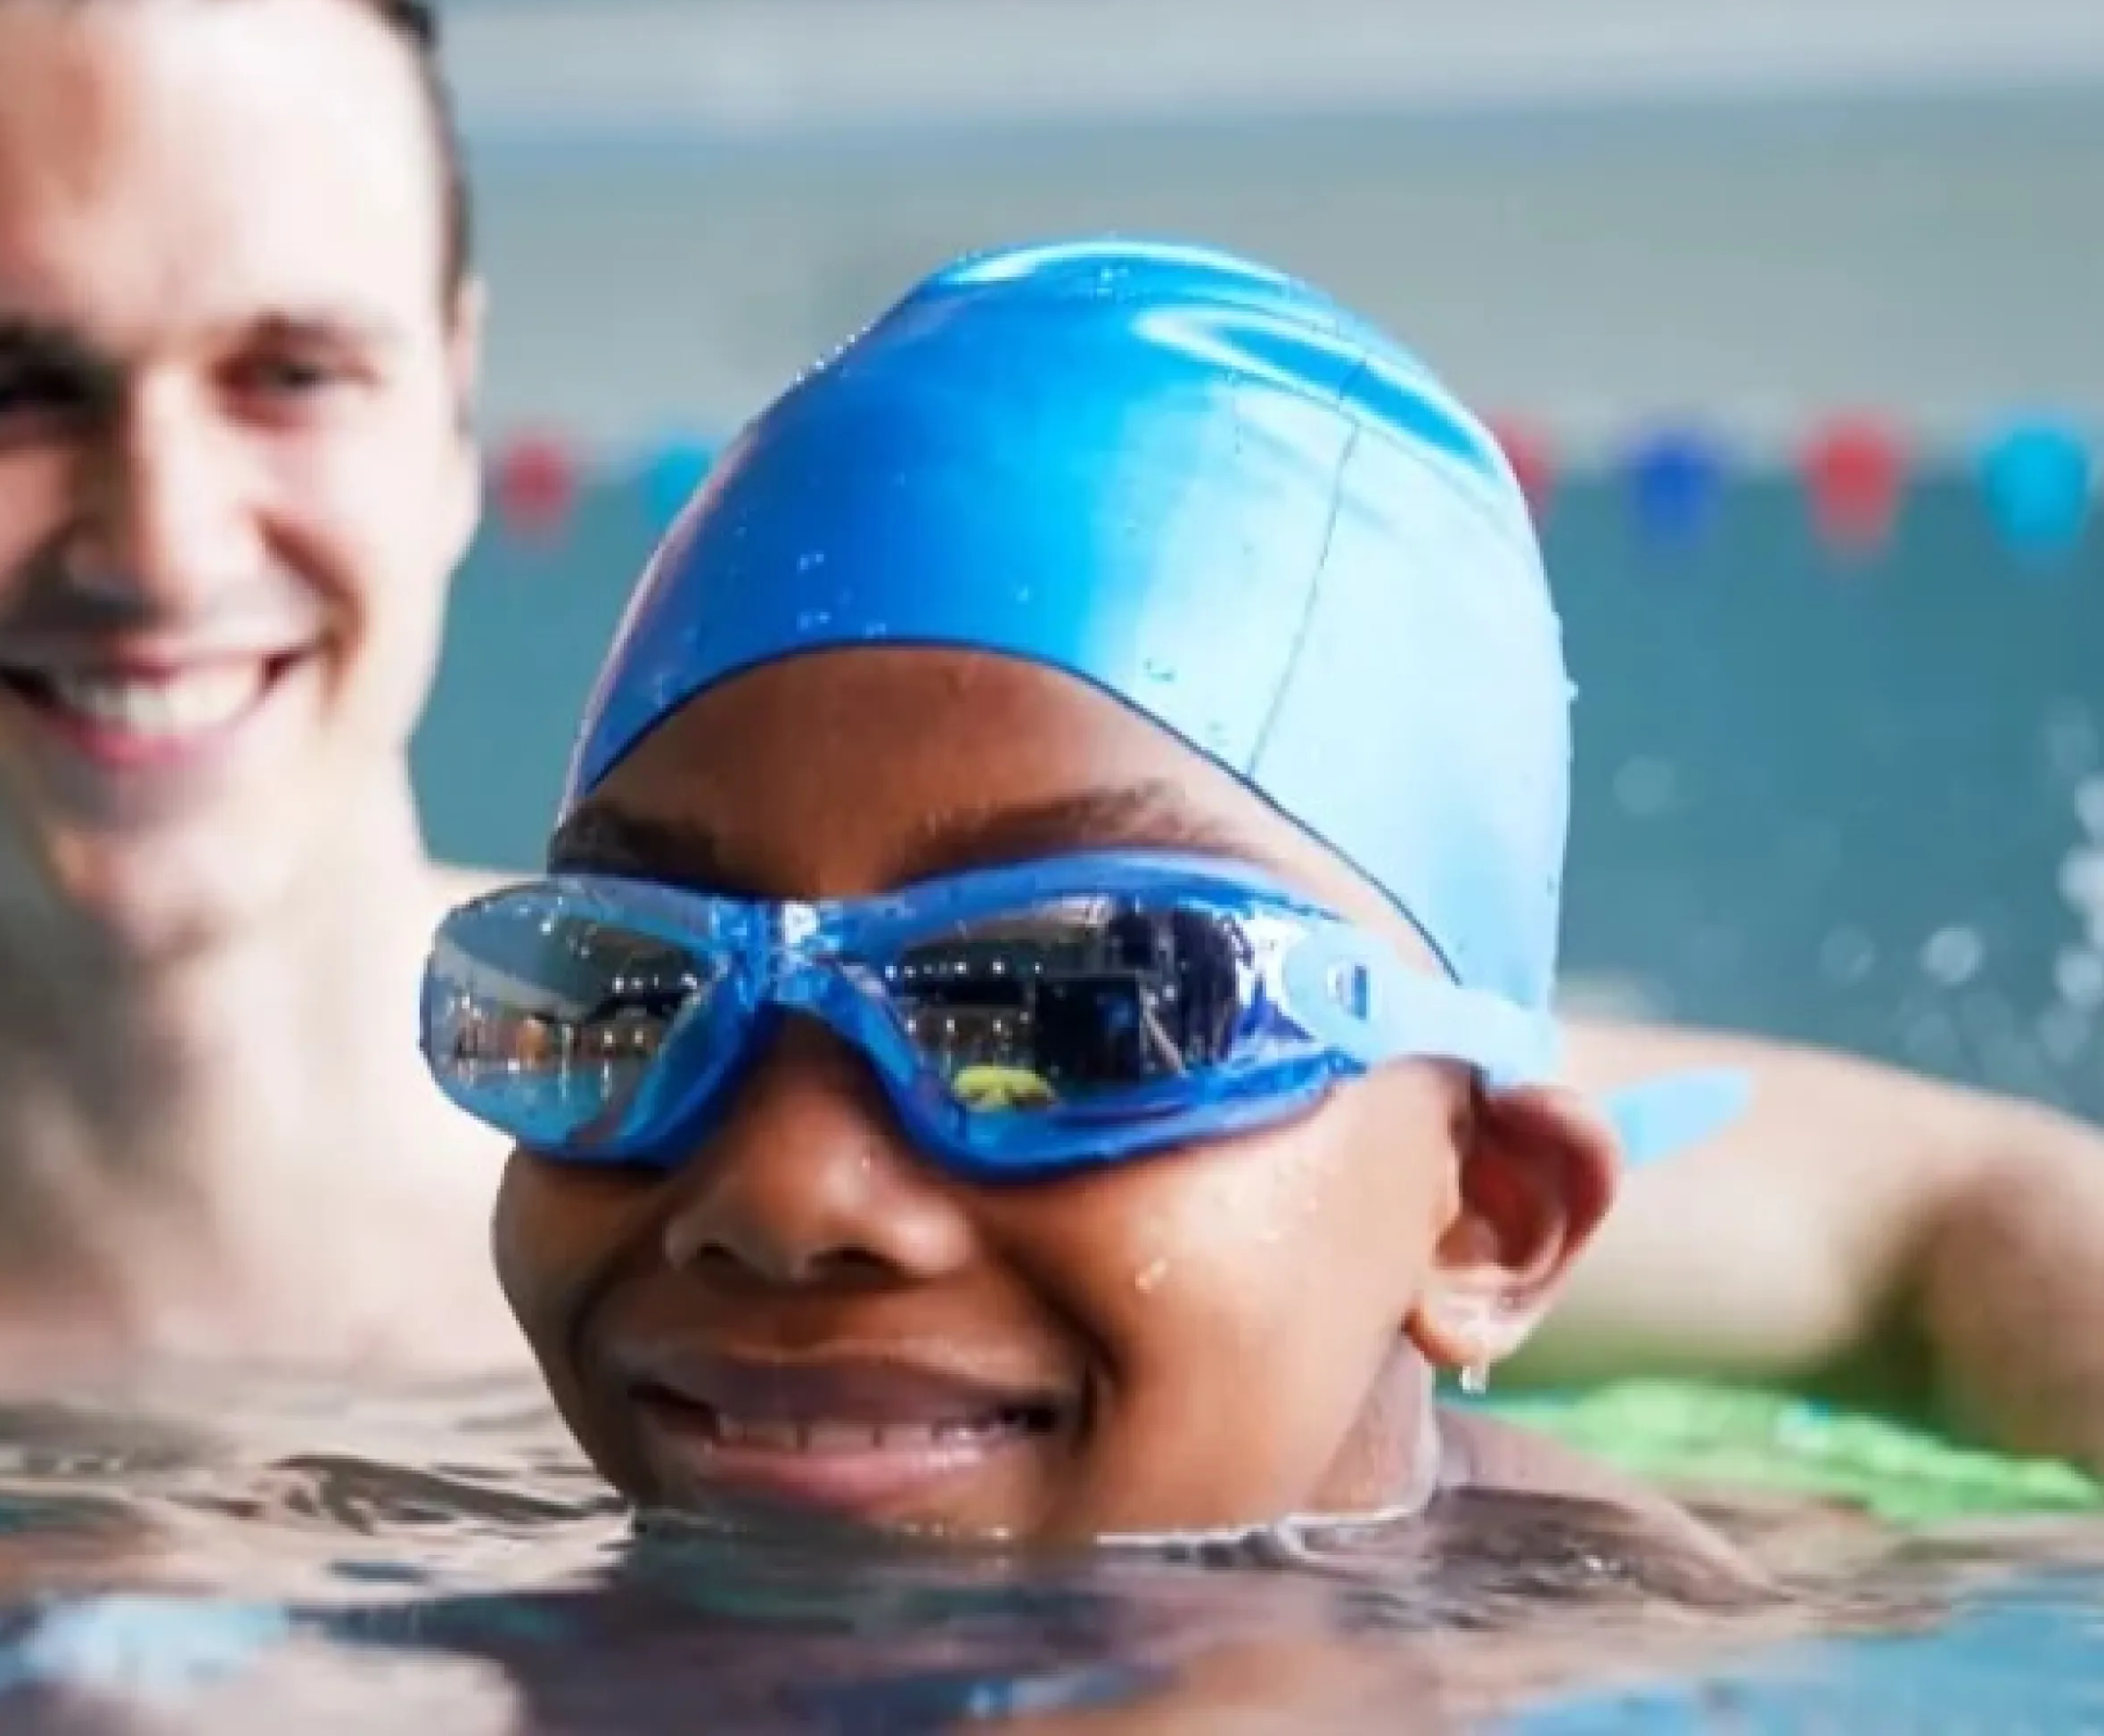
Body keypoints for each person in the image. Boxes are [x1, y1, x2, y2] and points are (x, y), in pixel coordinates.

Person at [0, 0, 2104, 1481]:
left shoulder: (1148, 1066)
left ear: (448, 413)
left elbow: (1966, 1216)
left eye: (295, 371)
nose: (164, 534)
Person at [428, 233, 1754, 1563]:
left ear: (1486, 1216)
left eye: (1076, 1018)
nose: (785, 1199)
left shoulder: (1681, 1659)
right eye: (633, 999)